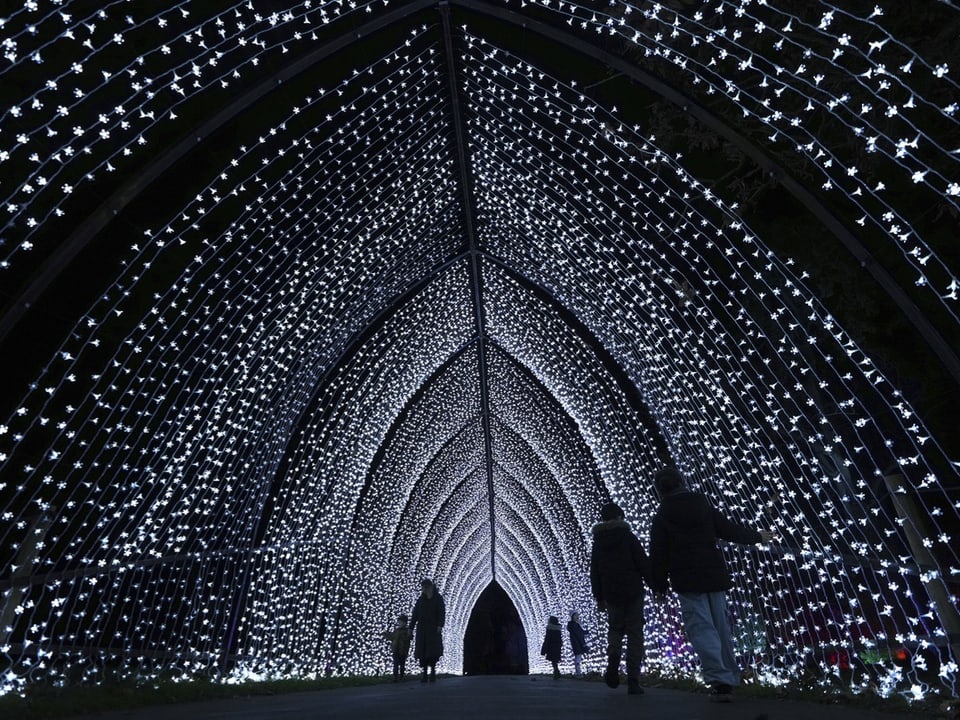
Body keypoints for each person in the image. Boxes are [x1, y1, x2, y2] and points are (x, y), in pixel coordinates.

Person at [649, 466, 775, 703]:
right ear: (681, 482)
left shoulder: (662, 516)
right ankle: (730, 675)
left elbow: (658, 555)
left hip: (686, 579)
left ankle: (720, 681)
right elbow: (728, 530)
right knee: (721, 627)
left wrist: (659, 587)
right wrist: (757, 537)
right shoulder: (702, 506)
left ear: (660, 490)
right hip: (714, 575)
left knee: (701, 628)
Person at [590, 501, 651, 695]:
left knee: (615, 629)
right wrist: (656, 585)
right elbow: (642, 562)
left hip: (611, 593)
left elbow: (595, 572)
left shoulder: (598, 543)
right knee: (635, 633)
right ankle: (633, 680)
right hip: (633, 590)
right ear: (618, 517)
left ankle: (613, 658)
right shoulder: (628, 537)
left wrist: (599, 598)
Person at [410, 578, 445, 682]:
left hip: (433, 629)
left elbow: (441, 612)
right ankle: (425, 674)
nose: (424, 590)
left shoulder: (438, 598)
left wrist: (440, 625)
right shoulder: (421, 600)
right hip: (422, 630)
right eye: (423, 588)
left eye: (426, 588)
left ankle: (433, 673)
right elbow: (415, 614)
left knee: (432, 652)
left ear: (430, 587)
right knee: (423, 652)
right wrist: (411, 627)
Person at [382, 613, 411, 682]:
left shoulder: (406, 631)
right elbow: (392, 637)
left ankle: (401, 676)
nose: (400, 623)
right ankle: (395, 677)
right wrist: (386, 635)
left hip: (402, 650)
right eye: (399, 622)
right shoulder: (397, 631)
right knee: (395, 664)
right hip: (395, 650)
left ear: (405, 623)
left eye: (401, 622)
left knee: (402, 664)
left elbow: (408, 638)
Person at [566, 611, 589, 677]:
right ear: (572, 616)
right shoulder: (573, 624)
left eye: (577, 615)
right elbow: (579, 633)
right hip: (577, 643)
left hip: (578, 642)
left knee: (578, 657)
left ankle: (578, 672)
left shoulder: (575, 624)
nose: (577, 616)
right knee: (578, 657)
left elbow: (580, 632)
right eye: (576, 615)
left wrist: (587, 632)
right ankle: (578, 673)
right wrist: (583, 643)